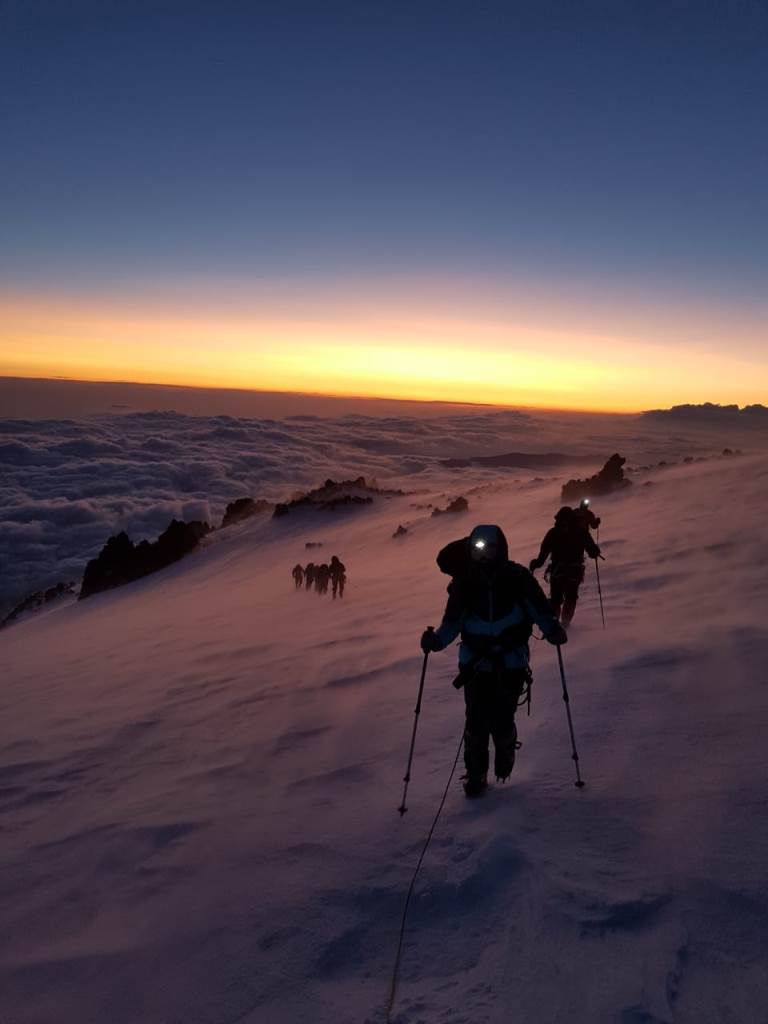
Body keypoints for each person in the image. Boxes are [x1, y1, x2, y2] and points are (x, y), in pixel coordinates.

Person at [421, 524, 566, 798]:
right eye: (479, 550)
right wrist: (436, 641)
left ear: (500, 549)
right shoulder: (465, 584)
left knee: (500, 720)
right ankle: (476, 778)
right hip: (480, 665)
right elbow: (450, 624)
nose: (485, 555)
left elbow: (540, 611)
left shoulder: (517, 578)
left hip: (508, 664)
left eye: (490, 549)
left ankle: (503, 761)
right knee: (475, 722)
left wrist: (553, 630)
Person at [529, 507, 600, 627]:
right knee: (571, 597)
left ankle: (554, 625)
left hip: (558, 571)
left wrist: (535, 564)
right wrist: (595, 551)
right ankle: (565, 624)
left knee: (556, 599)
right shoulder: (581, 532)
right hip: (574, 571)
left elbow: (543, 555)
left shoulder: (553, 533)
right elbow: (592, 552)